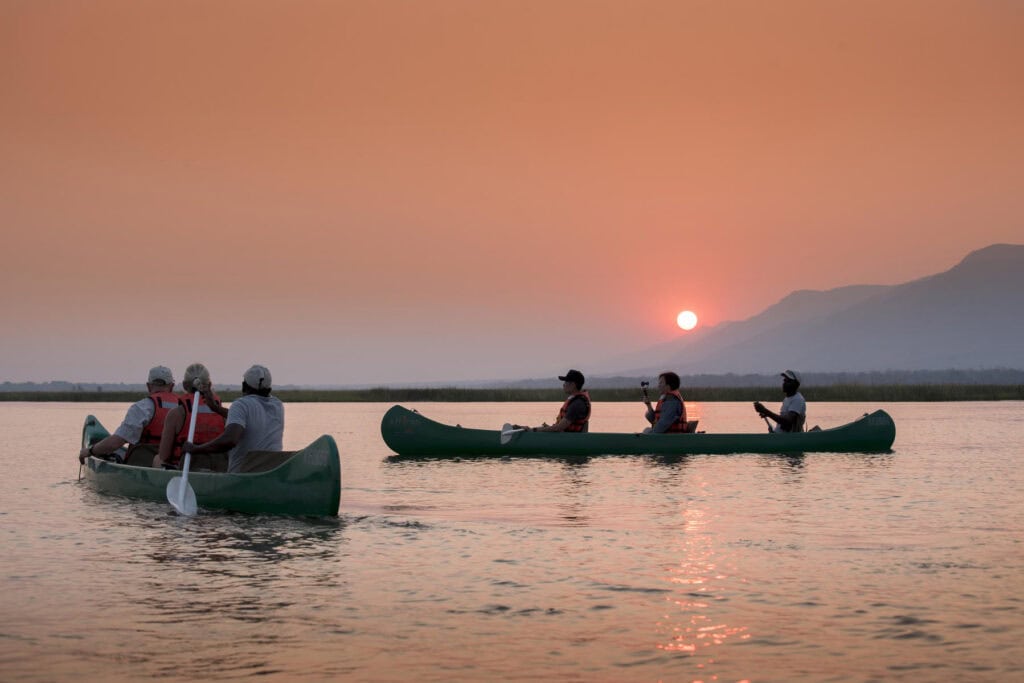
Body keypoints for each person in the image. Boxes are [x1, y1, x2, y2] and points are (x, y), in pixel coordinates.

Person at [182, 364, 284, 473]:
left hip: (242, 477)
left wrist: (196, 449)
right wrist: (216, 408)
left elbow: (230, 440)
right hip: (269, 473)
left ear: (244, 386)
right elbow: (245, 418)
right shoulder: (277, 405)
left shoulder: (241, 404)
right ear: (269, 388)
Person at [78, 365, 179, 465]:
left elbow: (115, 443)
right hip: (176, 463)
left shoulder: (143, 407)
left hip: (145, 466)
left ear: (148, 386)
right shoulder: (183, 407)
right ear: (172, 386)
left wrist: (90, 451)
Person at [153, 363, 228, 469]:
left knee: (157, 459)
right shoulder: (223, 413)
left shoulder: (176, 414)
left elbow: (164, 455)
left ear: (184, 385)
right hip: (218, 469)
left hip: (187, 469)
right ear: (209, 385)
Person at [516, 369, 591, 433]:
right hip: (566, 436)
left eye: (565, 382)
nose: (563, 385)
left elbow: (559, 428)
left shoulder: (577, 404)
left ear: (573, 385)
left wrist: (534, 430)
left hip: (569, 440)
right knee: (524, 428)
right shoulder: (576, 401)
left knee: (531, 430)